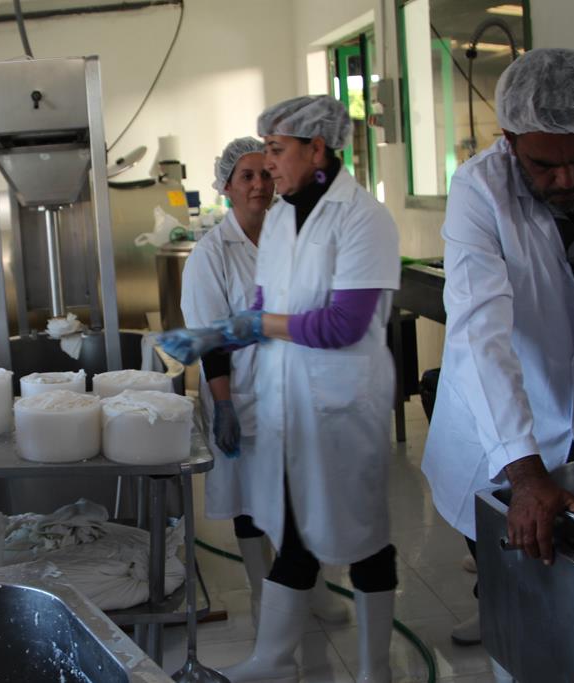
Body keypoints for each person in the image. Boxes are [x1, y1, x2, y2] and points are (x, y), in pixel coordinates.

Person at [162, 95, 400, 683]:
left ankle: (374, 671)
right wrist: (216, 336)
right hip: (286, 402)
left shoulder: (363, 219)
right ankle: (274, 660)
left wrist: (247, 326)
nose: (267, 168)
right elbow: (266, 307)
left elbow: (343, 325)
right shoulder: (285, 221)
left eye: (274, 151)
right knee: (292, 527)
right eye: (259, 158)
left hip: (343, 405)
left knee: (364, 537)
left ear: (316, 149)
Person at [421, 48, 574, 668]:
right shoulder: (479, 188)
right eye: (544, 164)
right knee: (522, 603)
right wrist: (526, 472)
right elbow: (481, 330)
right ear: (508, 141)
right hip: (505, 420)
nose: (566, 179)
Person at [180, 136, 347, 626]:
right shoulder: (211, 255)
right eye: (246, 176)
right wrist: (223, 406)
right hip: (241, 395)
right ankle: (262, 593)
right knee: (252, 502)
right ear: (227, 187)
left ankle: (312, 587)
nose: (258, 184)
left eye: (265, 175)